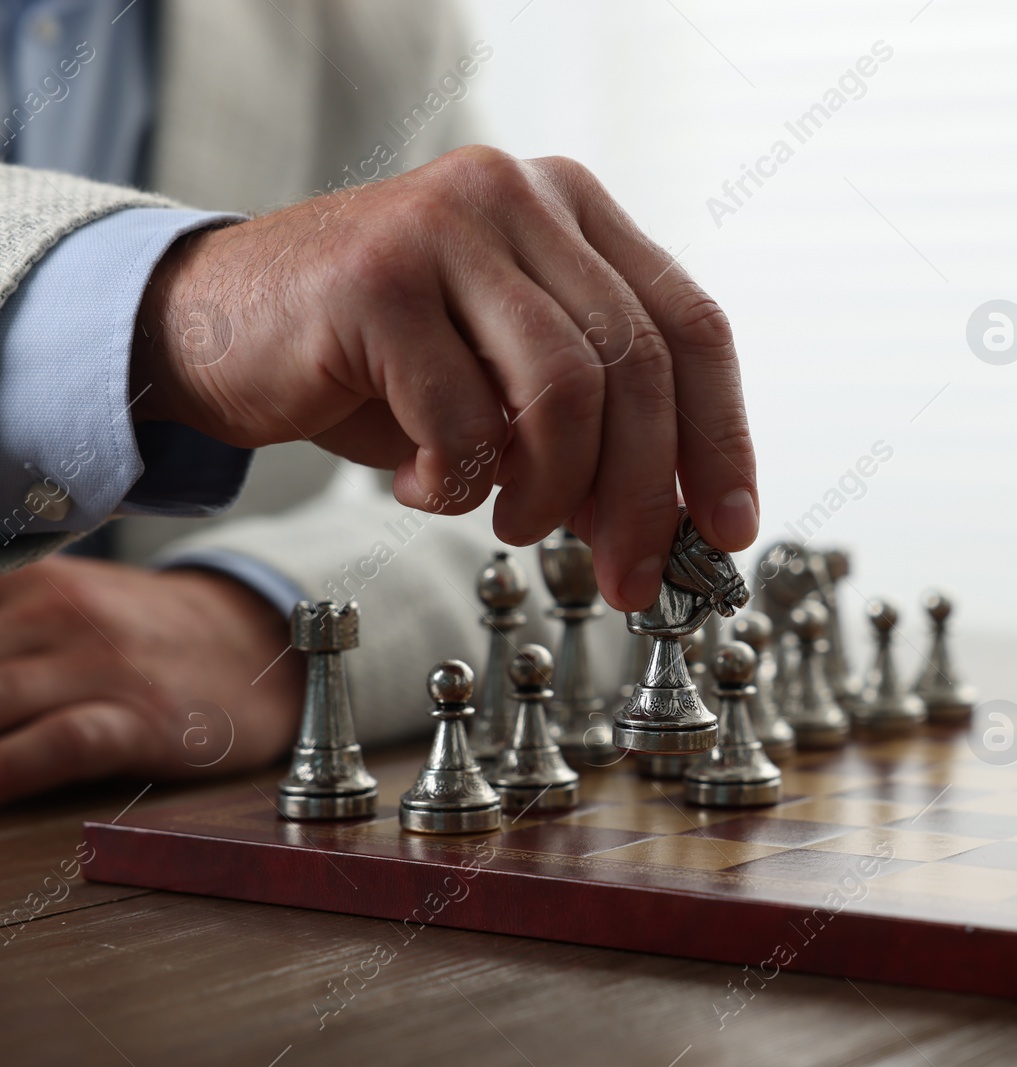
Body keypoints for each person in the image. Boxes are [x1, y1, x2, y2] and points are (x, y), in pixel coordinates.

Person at [0, 0, 757, 801]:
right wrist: (162, 307)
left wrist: (263, 613)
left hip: (166, 827)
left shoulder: (375, 25)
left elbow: (556, 501)